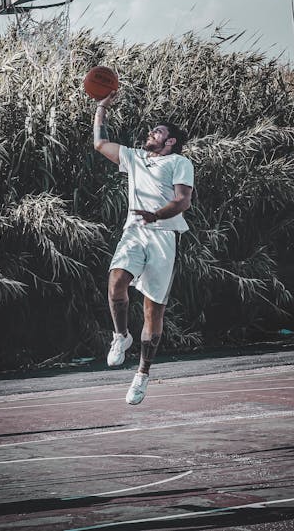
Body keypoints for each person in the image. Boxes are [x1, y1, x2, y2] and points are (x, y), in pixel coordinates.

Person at [93, 91, 194, 405]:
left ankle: (142, 375)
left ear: (171, 141)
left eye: (159, 131)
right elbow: (99, 143)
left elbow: (182, 200)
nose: (152, 132)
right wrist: (100, 108)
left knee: (153, 313)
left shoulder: (179, 162)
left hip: (163, 236)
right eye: (153, 129)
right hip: (135, 231)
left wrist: (157, 214)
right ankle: (121, 336)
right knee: (115, 282)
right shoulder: (135, 157)